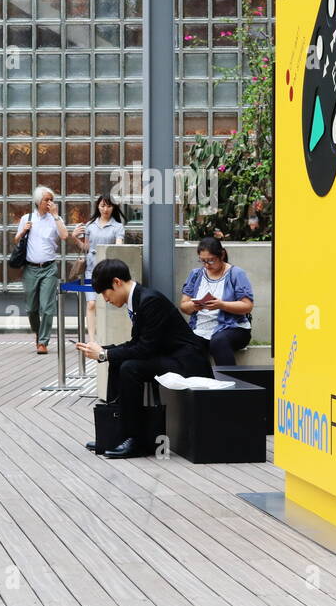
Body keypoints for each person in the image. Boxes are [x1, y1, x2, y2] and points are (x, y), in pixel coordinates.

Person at [74, 259, 213, 459]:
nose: (105, 299)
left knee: (130, 368)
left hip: (186, 362)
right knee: (118, 361)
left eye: (105, 293)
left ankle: (136, 439)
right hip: (167, 356)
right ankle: (115, 433)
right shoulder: (139, 299)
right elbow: (138, 343)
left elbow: (145, 348)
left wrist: (104, 354)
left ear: (116, 282)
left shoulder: (149, 300)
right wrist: (105, 351)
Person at [179, 236, 255, 366]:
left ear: (222, 255)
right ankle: (200, 383)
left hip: (232, 327)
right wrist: (194, 305)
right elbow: (183, 306)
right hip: (201, 328)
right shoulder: (196, 274)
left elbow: (247, 306)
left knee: (218, 341)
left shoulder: (236, 274)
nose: (207, 265)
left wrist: (222, 305)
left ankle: (231, 382)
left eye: (211, 261)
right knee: (188, 346)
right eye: (203, 261)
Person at [15, 185, 69, 355]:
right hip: (30, 268)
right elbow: (16, 240)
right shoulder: (27, 218)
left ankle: (43, 342)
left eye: (52, 200)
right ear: (38, 201)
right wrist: (24, 230)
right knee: (31, 309)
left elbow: (65, 236)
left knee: (47, 307)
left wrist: (55, 215)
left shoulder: (55, 219)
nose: (50, 203)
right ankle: (39, 333)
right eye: (47, 199)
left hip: (49, 268)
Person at [72, 193, 125, 338]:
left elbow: (118, 247)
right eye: (102, 205)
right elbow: (86, 247)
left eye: (108, 206)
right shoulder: (90, 225)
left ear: (113, 207)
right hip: (91, 269)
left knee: (107, 304)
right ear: (98, 206)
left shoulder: (118, 227)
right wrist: (74, 238)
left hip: (108, 271)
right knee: (91, 304)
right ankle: (92, 338)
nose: (105, 209)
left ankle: (106, 336)